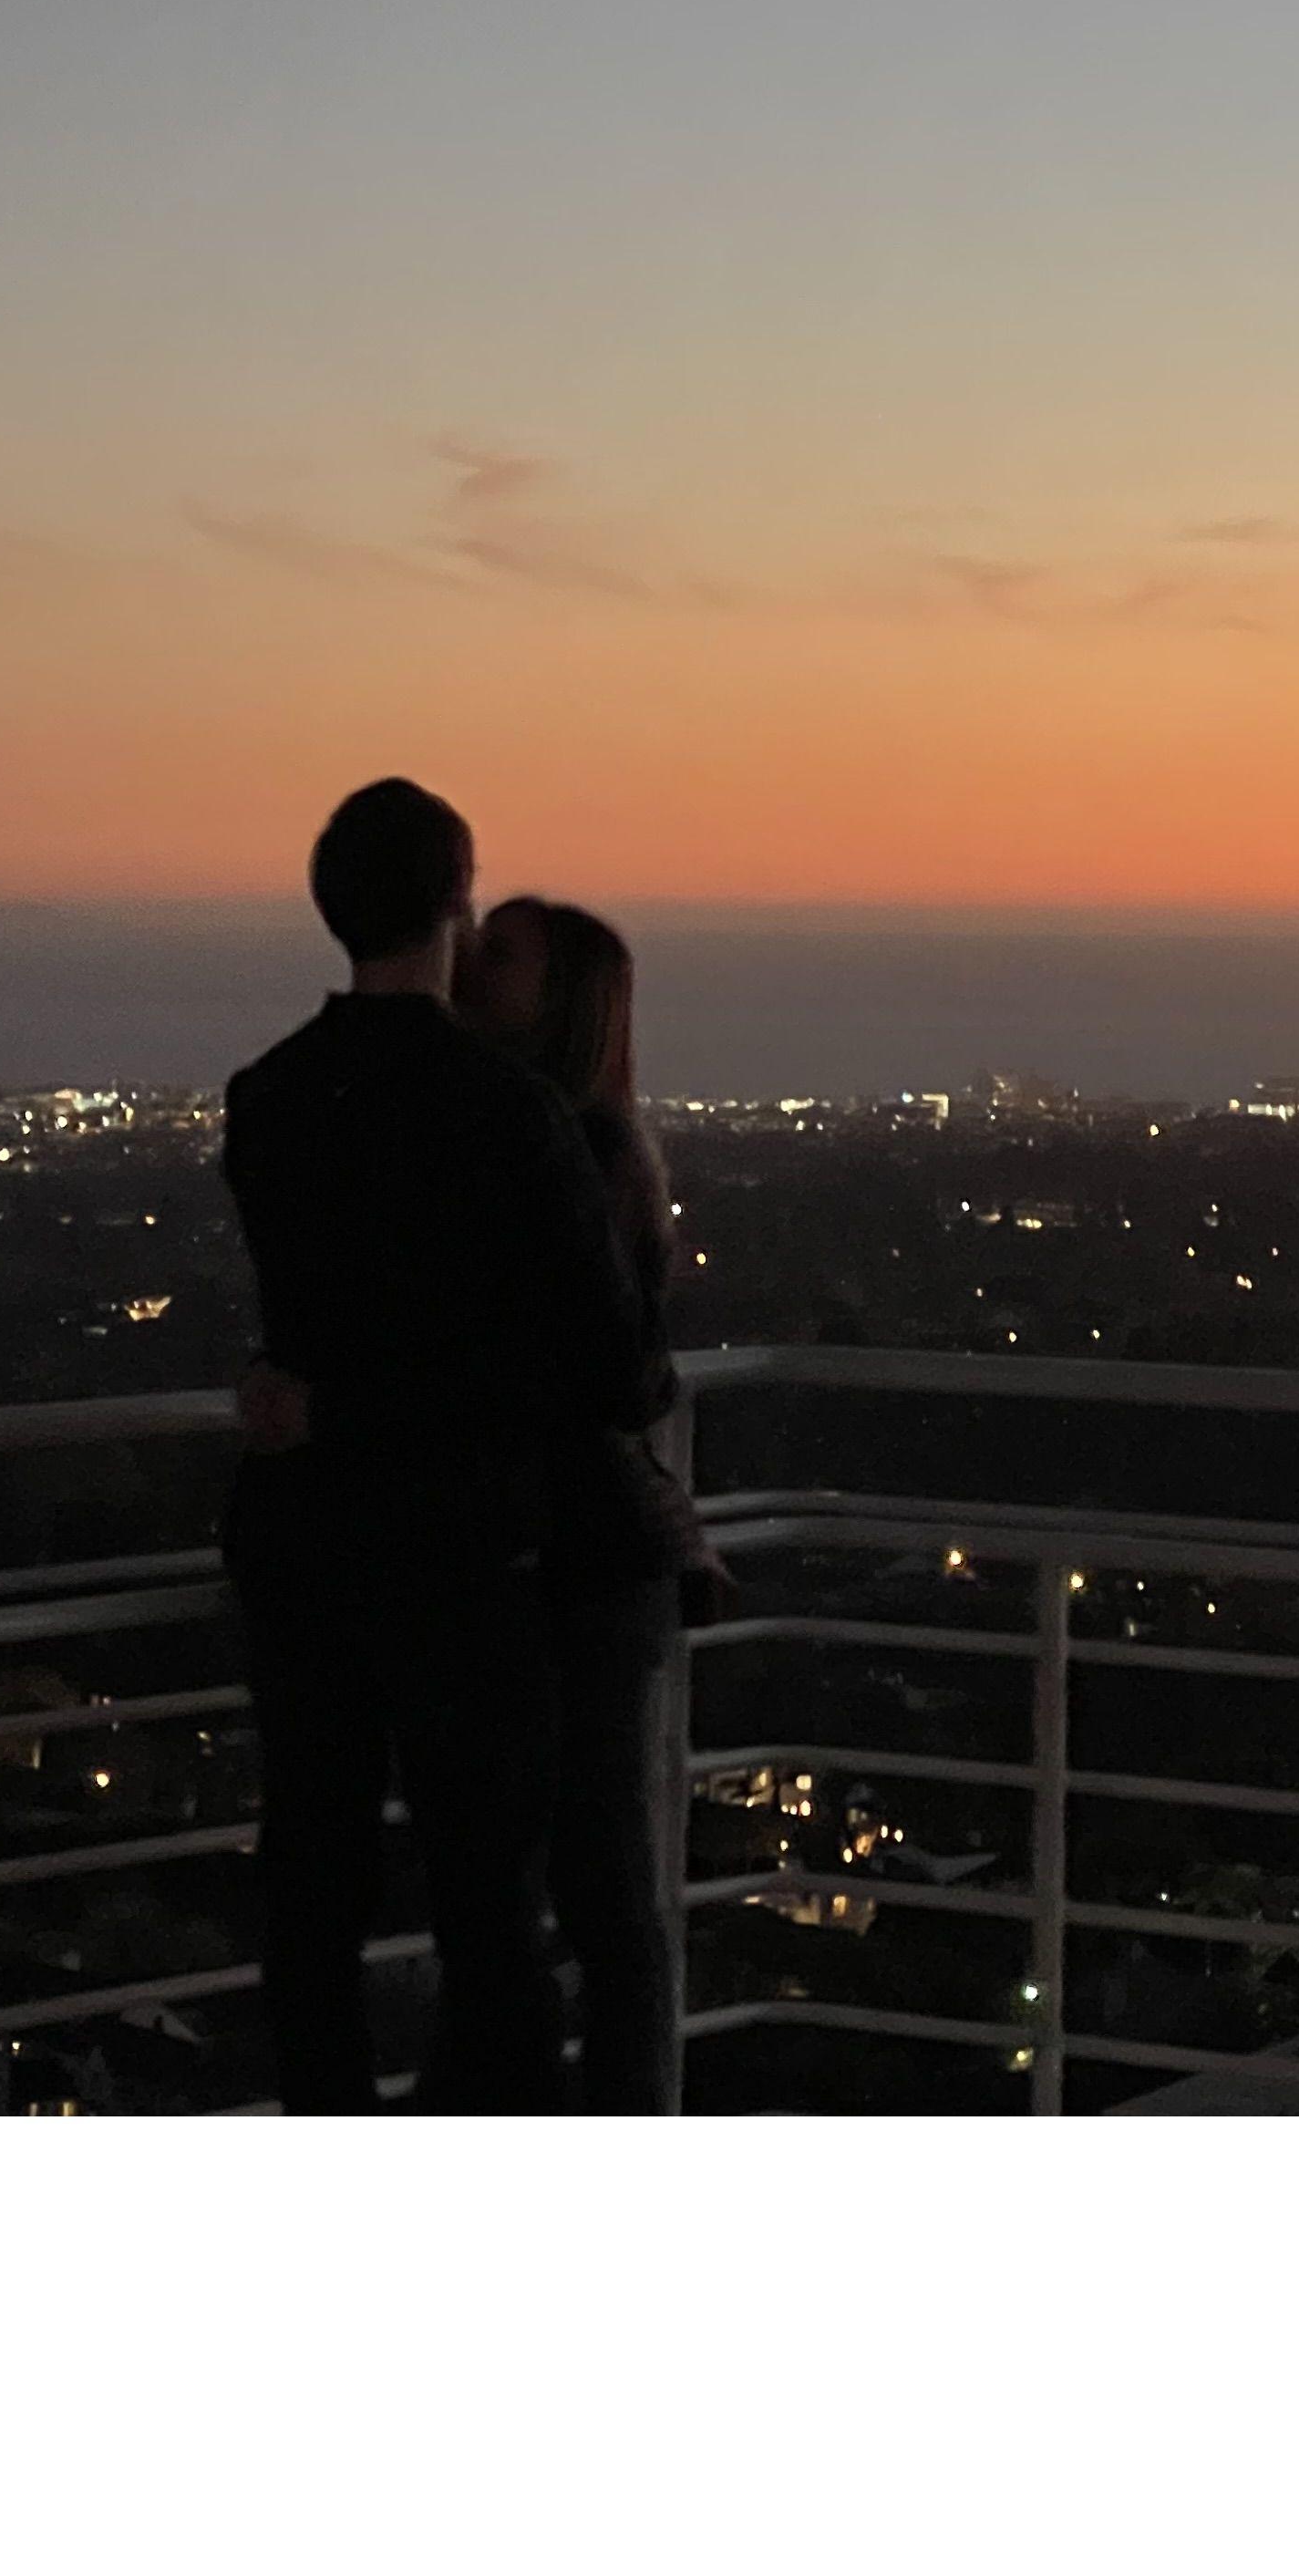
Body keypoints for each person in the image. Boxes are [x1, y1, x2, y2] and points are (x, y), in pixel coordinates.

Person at [218, 781, 665, 2113]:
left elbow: (318, 1327)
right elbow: (602, 1366)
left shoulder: (269, 1097)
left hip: (299, 1548)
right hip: (460, 1557)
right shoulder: (505, 1115)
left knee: (312, 1893)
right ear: (453, 902)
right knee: (487, 1908)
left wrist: (325, 1411)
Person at [459, 895, 721, 2115]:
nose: (470, 965)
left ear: (561, 1001)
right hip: (569, 1560)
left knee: (604, 1889)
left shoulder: (584, 1159)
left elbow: (591, 1370)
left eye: (500, 956)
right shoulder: (573, 1147)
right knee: (576, 1882)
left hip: (585, 1564)